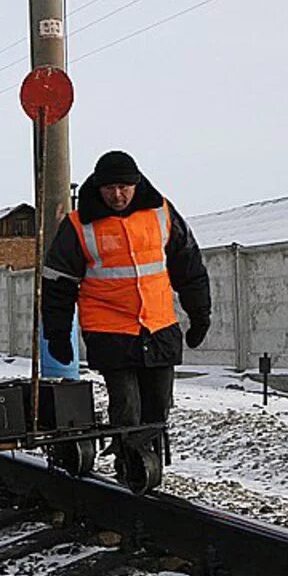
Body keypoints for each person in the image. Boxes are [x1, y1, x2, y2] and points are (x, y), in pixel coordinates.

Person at [42, 150, 210, 466]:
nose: (117, 195)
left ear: (136, 184)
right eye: (109, 188)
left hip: (159, 326)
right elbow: (58, 285)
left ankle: (149, 464)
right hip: (109, 329)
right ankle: (129, 464)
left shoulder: (161, 212)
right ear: (97, 186)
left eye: (124, 187)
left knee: (158, 406)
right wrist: (57, 334)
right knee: (127, 406)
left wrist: (200, 314)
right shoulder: (79, 225)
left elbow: (189, 266)